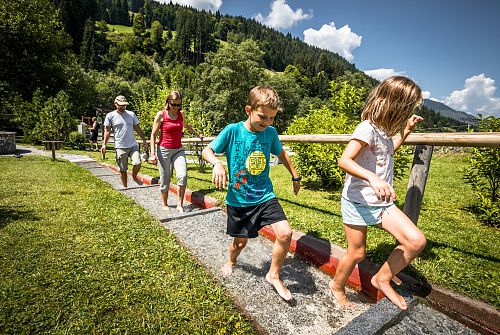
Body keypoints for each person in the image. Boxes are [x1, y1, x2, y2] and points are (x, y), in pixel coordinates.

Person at [330, 76, 427, 310]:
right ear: (394, 105)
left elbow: (386, 151)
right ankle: (337, 287)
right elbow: (344, 160)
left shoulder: (382, 133)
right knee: (357, 253)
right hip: (357, 202)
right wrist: (372, 177)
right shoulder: (366, 128)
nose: (406, 113)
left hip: (381, 203)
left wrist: (405, 132)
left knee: (415, 241)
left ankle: (381, 279)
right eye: (406, 109)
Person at [202, 85, 301, 302]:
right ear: (249, 109)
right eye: (262, 117)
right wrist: (217, 163)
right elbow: (207, 150)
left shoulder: (271, 133)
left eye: (272, 118)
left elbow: (281, 154)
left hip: (264, 194)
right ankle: (231, 261)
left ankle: (273, 275)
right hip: (238, 199)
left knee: (285, 233)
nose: (267, 123)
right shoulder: (232, 131)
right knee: (240, 243)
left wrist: (295, 176)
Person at [149, 90, 203, 212]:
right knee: (165, 178)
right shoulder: (161, 115)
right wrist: (152, 153)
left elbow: (185, 126)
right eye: (173, 104)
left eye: (178, 104)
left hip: (178, 149)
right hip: (164, 150)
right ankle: (165, 204)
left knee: (182, 175)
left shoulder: (181, 114)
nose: (176, 107)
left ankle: (180, 204)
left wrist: (197, 134)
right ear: (168, 102)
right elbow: (153, 135)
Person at [101, 95, 148, 188]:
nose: (123, 107)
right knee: (123, 170)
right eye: (120, 105)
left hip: (132, 145)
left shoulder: (131, 114)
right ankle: (125, 188)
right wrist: (104, 145)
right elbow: (107, 131)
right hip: (120, 146)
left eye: (124, 105)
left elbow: (137, 128)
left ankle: (134, 176)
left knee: (137, 163)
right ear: (115, 104)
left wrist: (143, 139)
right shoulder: (110, 116)